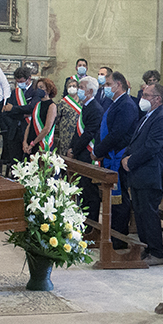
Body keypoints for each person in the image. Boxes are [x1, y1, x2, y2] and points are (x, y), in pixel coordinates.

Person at [122, 82, 163, 266]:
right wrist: (126, 156)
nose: (142, 98)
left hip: (151, 173)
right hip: (140, 173)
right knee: (140, 212)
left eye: (146, 95)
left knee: (149, 213)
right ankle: (147, 247)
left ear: (157, 99)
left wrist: (131, 161)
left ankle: (157, 252)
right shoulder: (147, 116)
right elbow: (135, 141)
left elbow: (152, 146)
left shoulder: (162, 119)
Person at [92, 71, 140, 248]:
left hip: (118, 157)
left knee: (120, 202)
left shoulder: (126, 105)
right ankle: (110, 235)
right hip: (110, 155)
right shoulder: (115, 103)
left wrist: (98, 151)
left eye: (108, 84)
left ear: (118, 85)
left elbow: (117, 134)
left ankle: (119, 240)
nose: (105, 88)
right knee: (111, 202)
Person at [70, 76, 104, 223]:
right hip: (80, 153)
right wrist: (71, 147)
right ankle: (81, 221)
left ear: (90, 91)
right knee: (81, 190)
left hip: (87, 154)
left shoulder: (95, 108)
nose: (78, 90)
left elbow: (88, 134)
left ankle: (91, 224)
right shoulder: (85, 106)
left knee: (89, 192)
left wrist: (75, 150)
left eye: (81, 87)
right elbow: (77, 131)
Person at [1, 66, 43, 164]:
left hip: (29, 131)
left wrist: (14, 109)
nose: (19, 83)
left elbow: (32, 108)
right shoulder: (14, 92)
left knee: (28, 162)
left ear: (29, 78)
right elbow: (7, 111)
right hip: (14, 131)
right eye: (17, 81)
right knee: (14, 162)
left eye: (21, 81)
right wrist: (21, 114)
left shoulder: (36, 91)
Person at [23, 78, 59, 154]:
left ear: (48, 90)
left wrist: (33, 144)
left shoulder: (52, 106)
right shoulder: (37, 105)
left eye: (41, 87)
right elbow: (30, 124)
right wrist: (25, 141)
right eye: (38, 88)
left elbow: (47, 129)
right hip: (30, 142)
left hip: (41, 143)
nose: (39, 90)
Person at [53, 77, 81, 156]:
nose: (72, 88)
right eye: (70, 86)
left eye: (74, 86)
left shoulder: (82, 102)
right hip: (65, 135)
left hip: (78, 133)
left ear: (78, 88)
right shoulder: (62, 102)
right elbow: (57, 119)